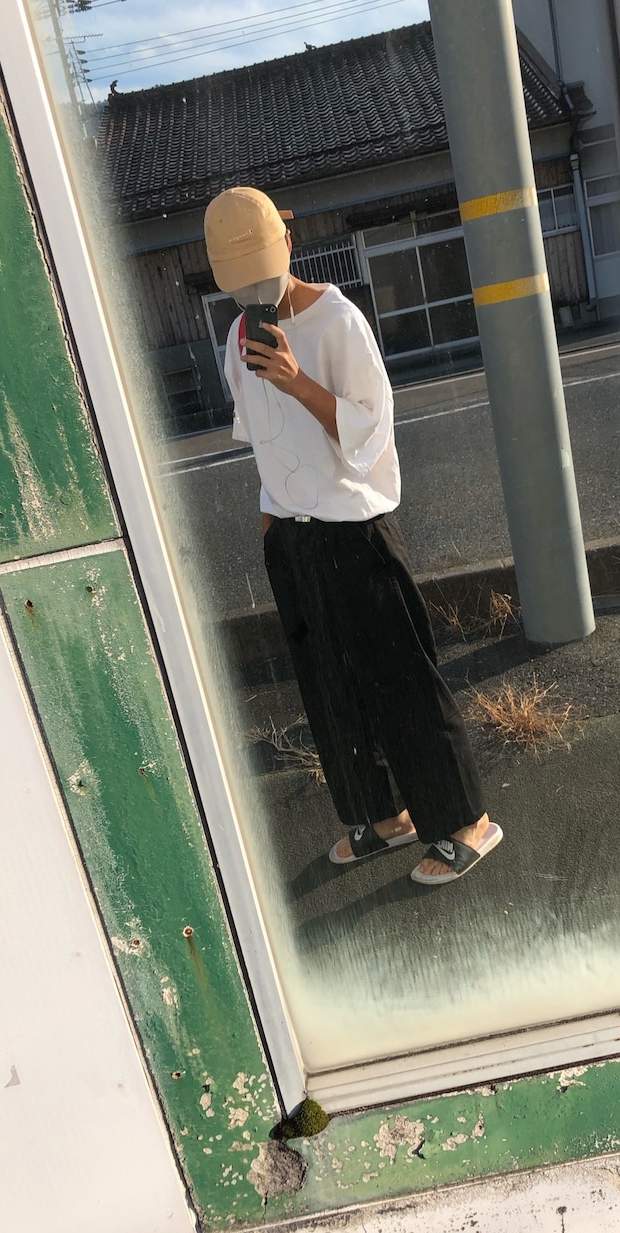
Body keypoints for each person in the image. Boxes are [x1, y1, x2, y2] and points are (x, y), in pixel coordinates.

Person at [204, 186, 502, 883]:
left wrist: (298, 381)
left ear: (289, 242)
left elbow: (371, 433)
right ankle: (386, 814)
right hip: (292, 539)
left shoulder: (337, 320)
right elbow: (263, 441)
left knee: (404, 684)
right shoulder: (238, 336)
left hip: (355, 533)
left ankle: (466, 821)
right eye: (238, 281)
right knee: (329, 691)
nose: (253, 292)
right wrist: (273, 525)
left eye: (260, 271)